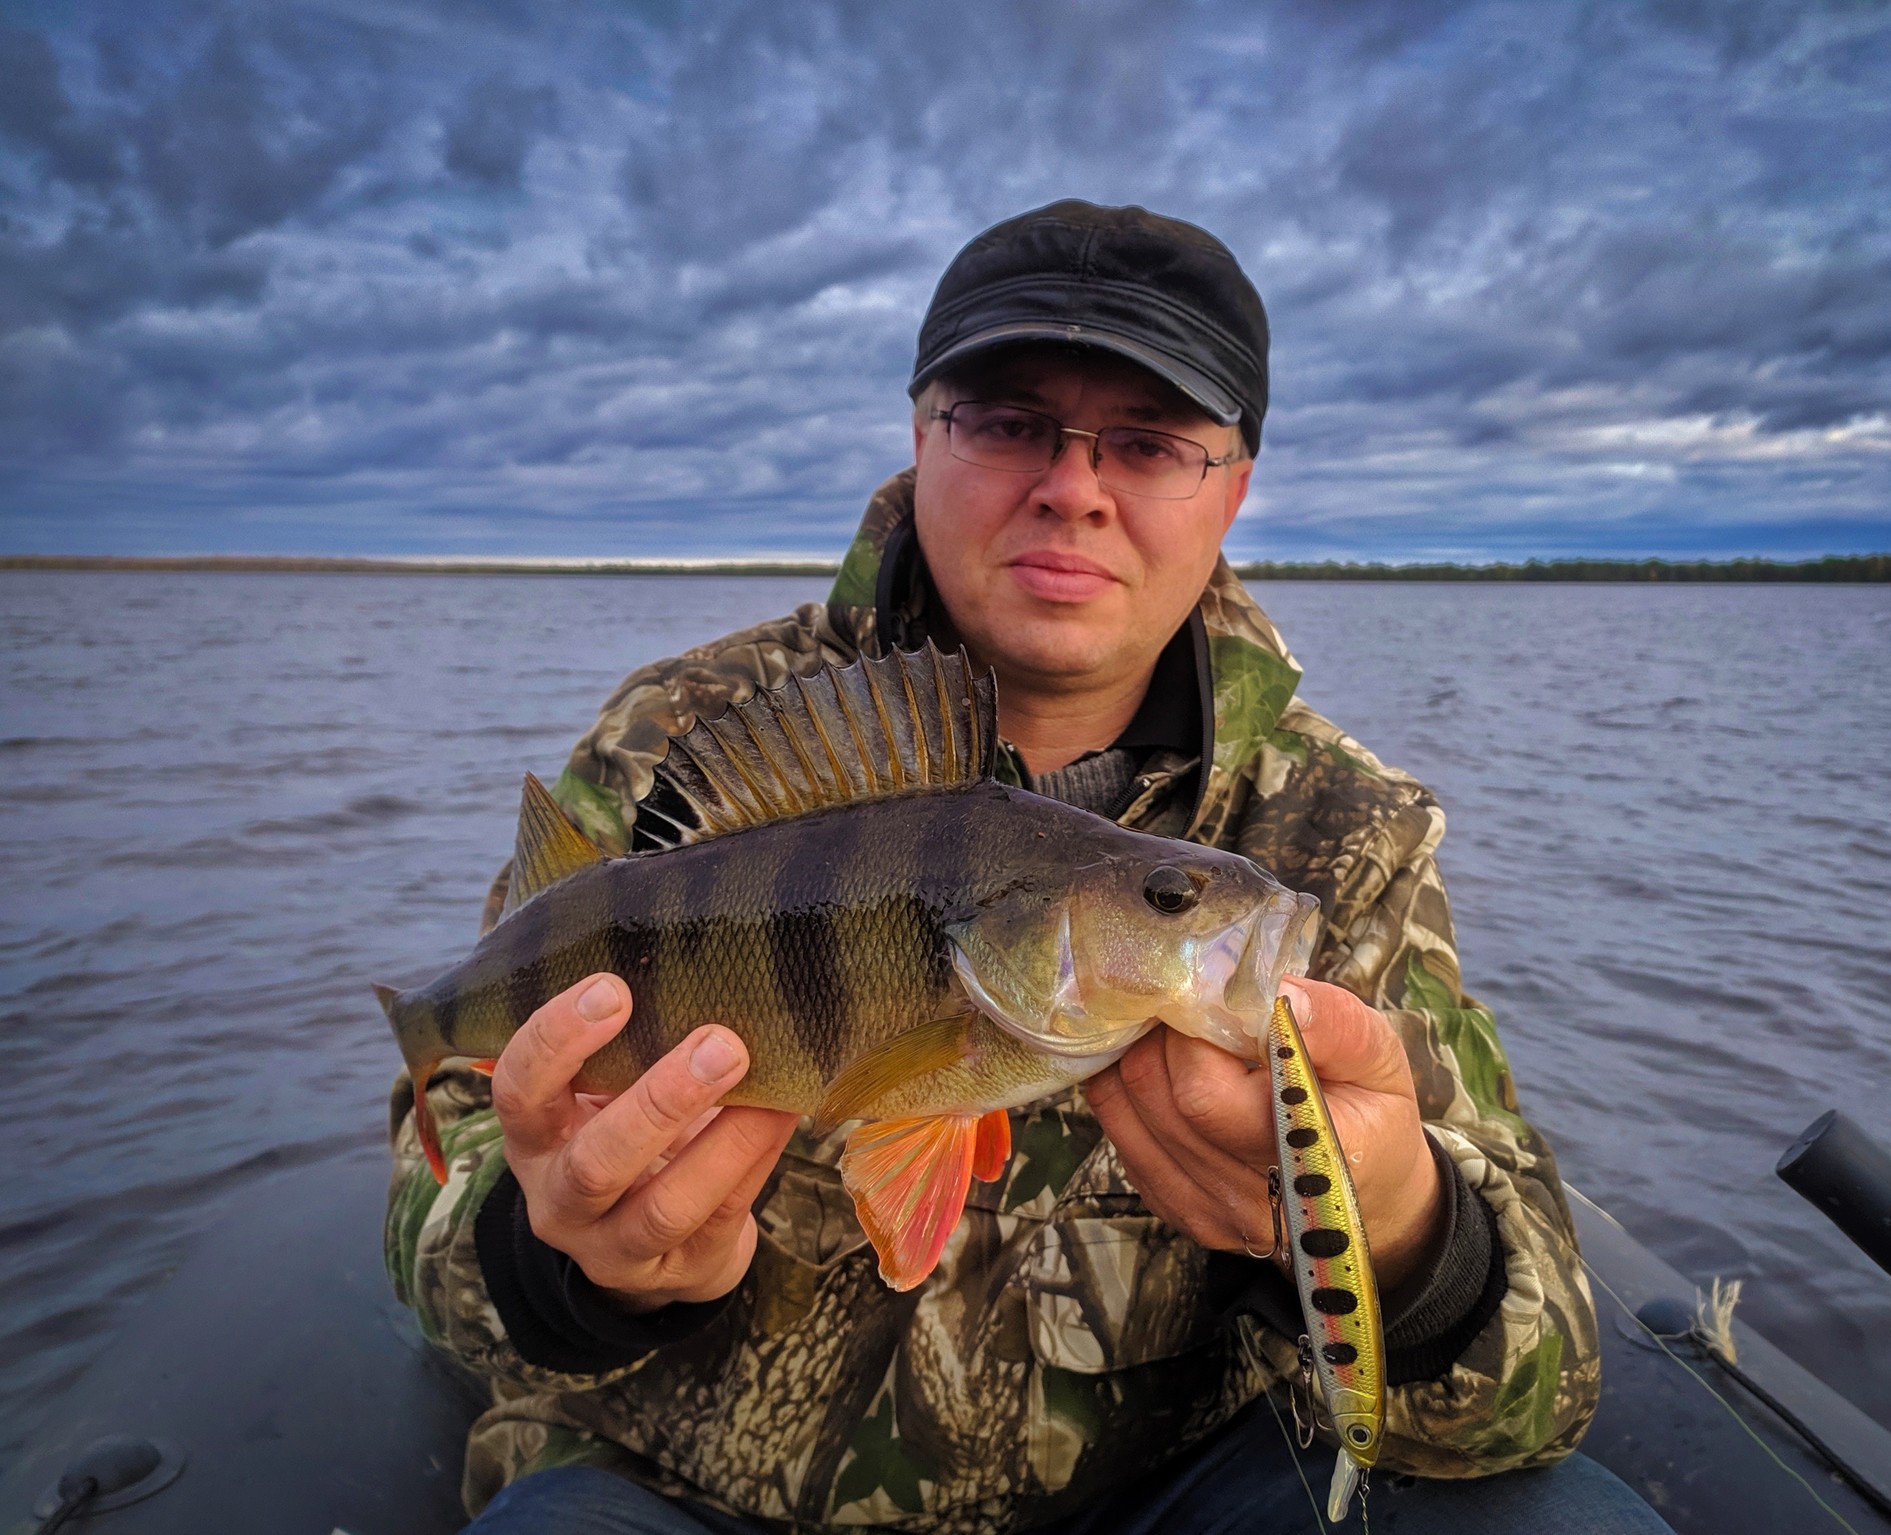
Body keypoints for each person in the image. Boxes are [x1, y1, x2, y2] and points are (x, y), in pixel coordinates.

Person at [387, 200, 1671, 1534]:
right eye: (1008, 423)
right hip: (690, 1498)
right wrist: (576, 1263)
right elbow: (432, 1195)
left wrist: (1403, 1236)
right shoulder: (676, 741)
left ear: (1233, 486)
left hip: (1162, 1500)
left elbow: (1541, 1384)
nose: (1074, 486)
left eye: (1154, 441)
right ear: (921, 437)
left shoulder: (1344, 829)